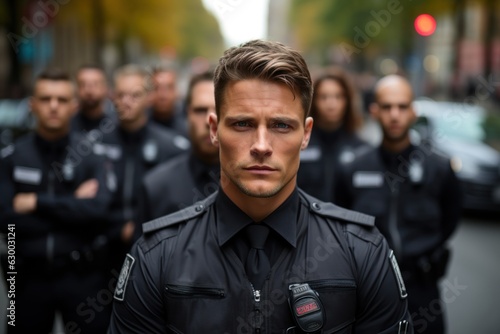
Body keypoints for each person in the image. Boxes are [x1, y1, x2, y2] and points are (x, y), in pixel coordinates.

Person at [109, 40, 413, 333]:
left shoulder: (363, 251)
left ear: (306, 134)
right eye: (243, 124)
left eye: (282, 125)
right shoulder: (156, 255)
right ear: (214, 130)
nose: (261, 146)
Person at [335, 74, 462, 334]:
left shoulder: (438, 167)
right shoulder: (352, 169)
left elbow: (451, 218)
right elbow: (340, 224)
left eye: (402, 106)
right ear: (374, 111)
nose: (395, 115)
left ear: (413, 112)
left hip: (423, 292)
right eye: (387, 106)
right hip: (368, 293)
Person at [0, 68, 112, 333]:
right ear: (32, 105)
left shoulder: (91, 155)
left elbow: (98, 212)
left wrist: (37, 203)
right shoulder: (12, 157)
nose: (53, 106)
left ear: (73, 106)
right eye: (45, 98)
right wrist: (73, 205)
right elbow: (6, 219)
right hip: (25, 278)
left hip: (82, 277)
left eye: (61, 100)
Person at [97, 64, 190, 272]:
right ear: (112, 97)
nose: (126, 101)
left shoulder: (171, 147)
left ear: (149, 97)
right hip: (103, 254)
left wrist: (141, 227)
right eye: (121, 94)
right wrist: (117, 228)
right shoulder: (97, 145)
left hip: (156, 253)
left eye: (135, 95)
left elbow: (178, 202)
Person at [138, 70, 219, 226]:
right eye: (200, 110)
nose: (210, 121)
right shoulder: (156, 187)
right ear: (187, 113)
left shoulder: (254, 187)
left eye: (219, 110)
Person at [297, 67, 369, 202]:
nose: (331, 104)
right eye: (323, 97)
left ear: (347, 101)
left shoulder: (362, 149)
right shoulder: (300, 144)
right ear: (313, 101)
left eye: (338, 96)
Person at [72, 64, 116, 139]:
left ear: (106, 88)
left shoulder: (118, 126)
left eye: (95, 84)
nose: (89, 91)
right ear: (76, 89)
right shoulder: (66, 127)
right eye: (83, 84)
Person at [148, 65, 188, 137]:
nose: (162, 95)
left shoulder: (188, 127)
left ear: (177, 91)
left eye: (169, 87)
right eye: (156, 88)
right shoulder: (139, 126)